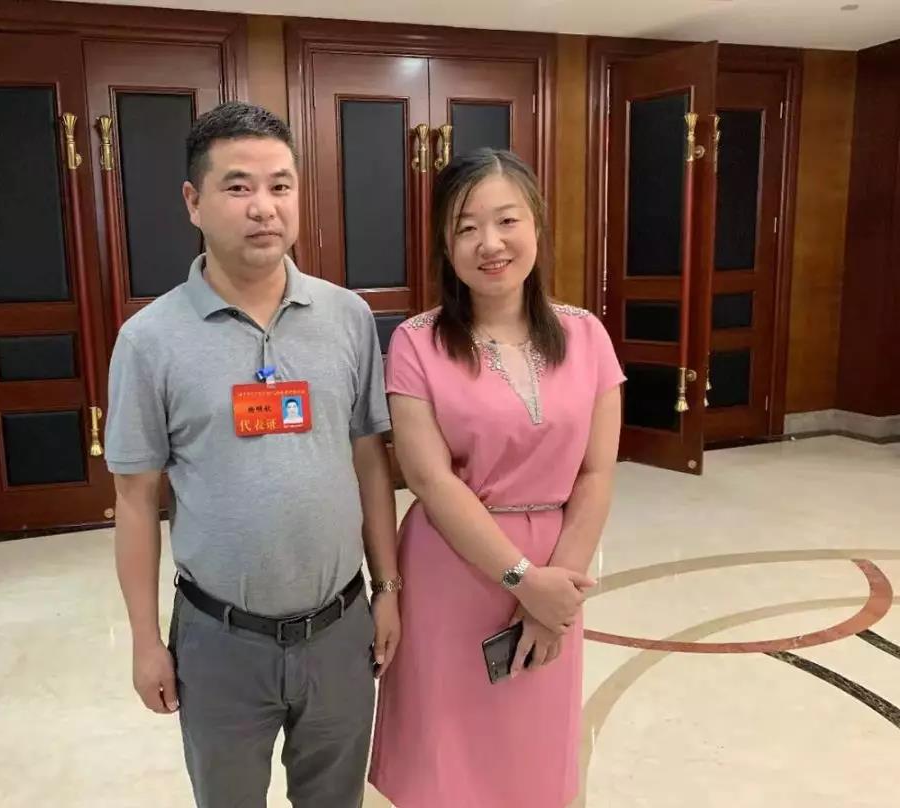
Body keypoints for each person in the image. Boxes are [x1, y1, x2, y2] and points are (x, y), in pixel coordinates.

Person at [105, 101, 402, 808]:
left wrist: (387, 588)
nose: (264, 207)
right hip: (220, 641)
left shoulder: (348, 317)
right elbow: (135, 499)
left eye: (280, 185)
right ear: (194, 202)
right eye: (238, 187)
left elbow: (369, 460)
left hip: (340, 630)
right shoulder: (150, 340)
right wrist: (145, 641)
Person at [368, 148, 624, 807]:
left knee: (533, 751)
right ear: (444, 244)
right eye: (466, 227)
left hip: (557, 569)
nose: (490, 243)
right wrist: (523, 580)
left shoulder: (587, 336)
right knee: (446, 758)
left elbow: (596, 473)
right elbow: (430, 480)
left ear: (536, 224)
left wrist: (554, 593)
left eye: (507, 220)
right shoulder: (417, 343)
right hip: (453, 566)